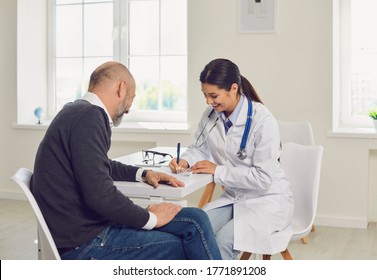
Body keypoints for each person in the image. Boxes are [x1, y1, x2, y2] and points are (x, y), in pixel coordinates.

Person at [30, 61, 221, 260]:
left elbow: (99, 166)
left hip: (85, 229)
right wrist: (151, 218)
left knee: (196, 219)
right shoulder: (90, 117)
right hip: (85, 244)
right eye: (132, 98)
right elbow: (100, 196)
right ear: (121, 88)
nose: (129, 107)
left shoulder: (77, 111)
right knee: (185, 243)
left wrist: (144, 174)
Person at [169, 58, 294, 259]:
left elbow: (263, 178)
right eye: (205, 95)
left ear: (233, 88)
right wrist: (185, 160)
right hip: (234, 198)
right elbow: (198, 148)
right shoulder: (211, 115)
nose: (209, 102)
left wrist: (217, 170)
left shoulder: (263, 120)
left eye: (214, 95)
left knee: (222, 243)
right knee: (194, 230)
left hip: (267, 200)